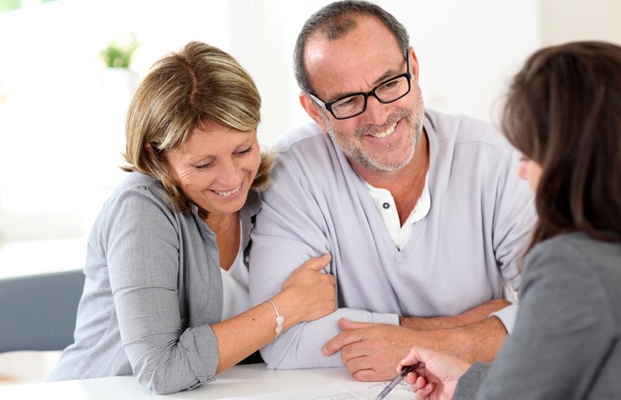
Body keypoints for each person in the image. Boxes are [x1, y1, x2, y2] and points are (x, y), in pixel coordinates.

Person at [248, 0, 537, 380]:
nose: (379, 116)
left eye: (388, 84)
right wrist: (468, 327)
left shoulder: (496, 160)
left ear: (413, 68)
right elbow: (282, 340)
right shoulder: (292, 170)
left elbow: (556, 312)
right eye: (347, 101)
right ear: (316, 112)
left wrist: (417, 344)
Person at [47, 41, 338, 395]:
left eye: (243, 149)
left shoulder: (266, 194)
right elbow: (161, 370)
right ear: (157, 155)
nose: (232, 179)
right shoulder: (140, 209)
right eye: (204, 164)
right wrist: (287, 307)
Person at [398, 40, 621, 400]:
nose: (521, 171)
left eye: (531, 154)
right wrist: (469, 381)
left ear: (572, 158)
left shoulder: (573, 265)